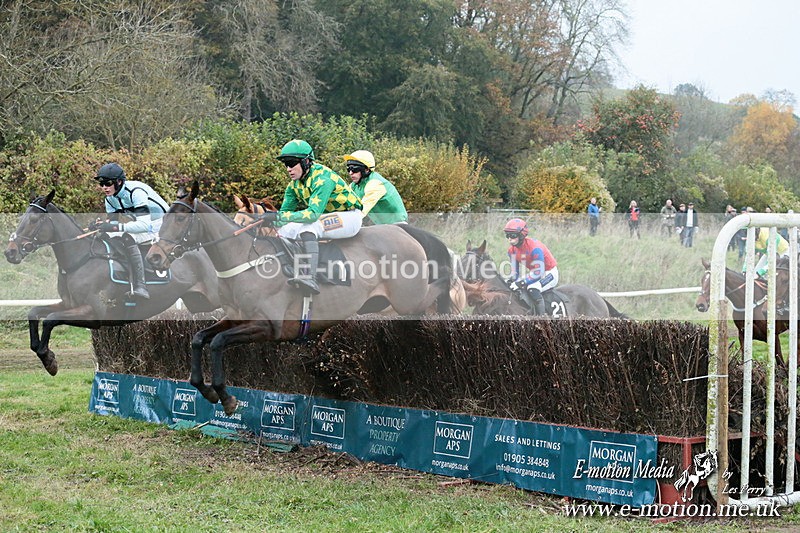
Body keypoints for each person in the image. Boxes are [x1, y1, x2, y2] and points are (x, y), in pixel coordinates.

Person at [259, 139, 363, 294]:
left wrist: (277, 216)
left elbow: (312, 215)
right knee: (285, 230)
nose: (288, 168)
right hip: (327, 217)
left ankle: (310, 277)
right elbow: (284, 216)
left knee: (310, 226)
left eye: (292, 163)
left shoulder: (323, 179)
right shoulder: (293, 185)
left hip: (350, 217)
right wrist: (269, 219)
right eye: (285, 164)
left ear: (306, 162)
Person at [91, 162, 169, 299]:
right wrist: (98, 225)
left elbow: (144, 225)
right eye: (101, 184)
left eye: (108, 183)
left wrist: (114, 227)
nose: (104, 187)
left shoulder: (136, 192)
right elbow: (112, 224)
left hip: (162, 224)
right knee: (106, 235)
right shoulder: (110, 199)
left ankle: (141, 286)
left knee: (128, 237)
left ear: (119, 182)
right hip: (146, 223)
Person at [503, 218, 558, 316]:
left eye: (512, 235)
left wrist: (521, 283)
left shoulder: (535, 248)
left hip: (549, 273)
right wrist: (510, 280)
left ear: (521, 235)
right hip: (534, 273)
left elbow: (539, 272)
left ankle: (542, 319)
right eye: (507, 235)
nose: (509, 238)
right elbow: (515, 273)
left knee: (532, 288)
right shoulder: (511, 250)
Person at [343, 150, 408, 225]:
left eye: (355, 169)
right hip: (382, 226)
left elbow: (361, 210)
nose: (351, 173)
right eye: (349, 169)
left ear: (366, 169)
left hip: (398, 224)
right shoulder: (354, 185)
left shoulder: (375, 184)